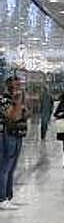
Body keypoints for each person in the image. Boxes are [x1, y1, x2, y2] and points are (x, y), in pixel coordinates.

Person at [0, 77, 30, 208]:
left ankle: (8, 196)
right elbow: (14, 116)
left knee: (11, 168)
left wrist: (22, 103)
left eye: (20, 84)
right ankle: (2, 198)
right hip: (8, 135)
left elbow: (27, 114)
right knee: (5, 167)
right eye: (17, 85)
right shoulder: (4, 100)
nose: (20, 87)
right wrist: (18, 103)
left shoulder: (18, 100)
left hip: (18, 134)